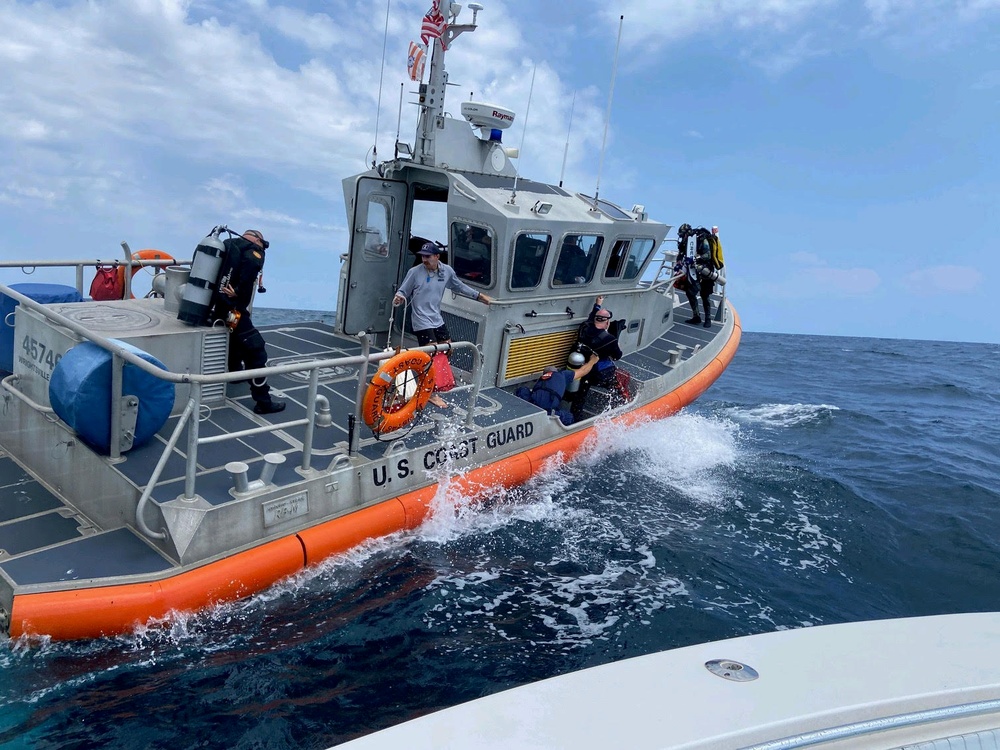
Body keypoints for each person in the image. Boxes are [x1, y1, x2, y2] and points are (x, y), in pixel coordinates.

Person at [393, 242, 492, 407]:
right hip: (421, 320)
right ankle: (430, 392)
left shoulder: (446, 271)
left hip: (436, 318)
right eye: (422, 256)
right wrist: (399, 298)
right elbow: (403, 290)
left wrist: (479, 296)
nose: (424, 259)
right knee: (431, 354)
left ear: (437, 256)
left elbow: (459, 286)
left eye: (428, 256)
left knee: (447, 349)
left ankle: (433, 381)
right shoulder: (415, 272)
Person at [212, 229, 285, 415]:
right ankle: (263, 402)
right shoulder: (253, 252)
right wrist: (239, 292)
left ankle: (236, 374)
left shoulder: (228, 246)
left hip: (214, 307)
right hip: (233, 309)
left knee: (235, 342)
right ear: (257, 240)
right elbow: (247, 277)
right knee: (256, 351)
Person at [570, 295, 623, 420]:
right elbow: (617, 356)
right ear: (608, 322)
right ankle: (617, 406)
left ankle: (574, 415)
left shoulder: (584, 327)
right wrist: (617, 346)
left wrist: (597, 304)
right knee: (614, 383)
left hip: (579, 367)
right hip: (595, 373)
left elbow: (591, 318)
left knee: (580, 396)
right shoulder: (610, 340)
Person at [516, 354, 599, 425]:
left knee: (522, 390)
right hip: (547, 412)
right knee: (569, 417)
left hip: (532, 406)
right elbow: (583, 371)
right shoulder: (562, 375)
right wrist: (592, 361)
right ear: (556, 371)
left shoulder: (541, 379)